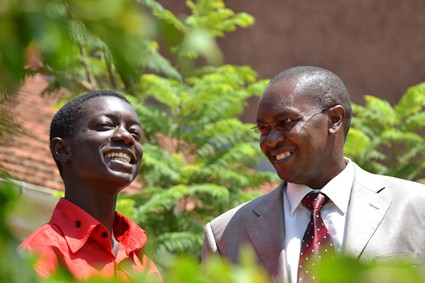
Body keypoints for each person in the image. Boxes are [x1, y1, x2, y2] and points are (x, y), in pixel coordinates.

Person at [202, 66, 425, 283]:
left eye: (285, 123)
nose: (271, 140)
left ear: (335, 119)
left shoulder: (416, 207)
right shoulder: (226, 233)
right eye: (263, 129)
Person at [19, 90, 162, 281]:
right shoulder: (38, 256)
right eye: (105, 125)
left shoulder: (144, 267)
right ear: (62, 149)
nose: (126, 136)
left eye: (135, 133)